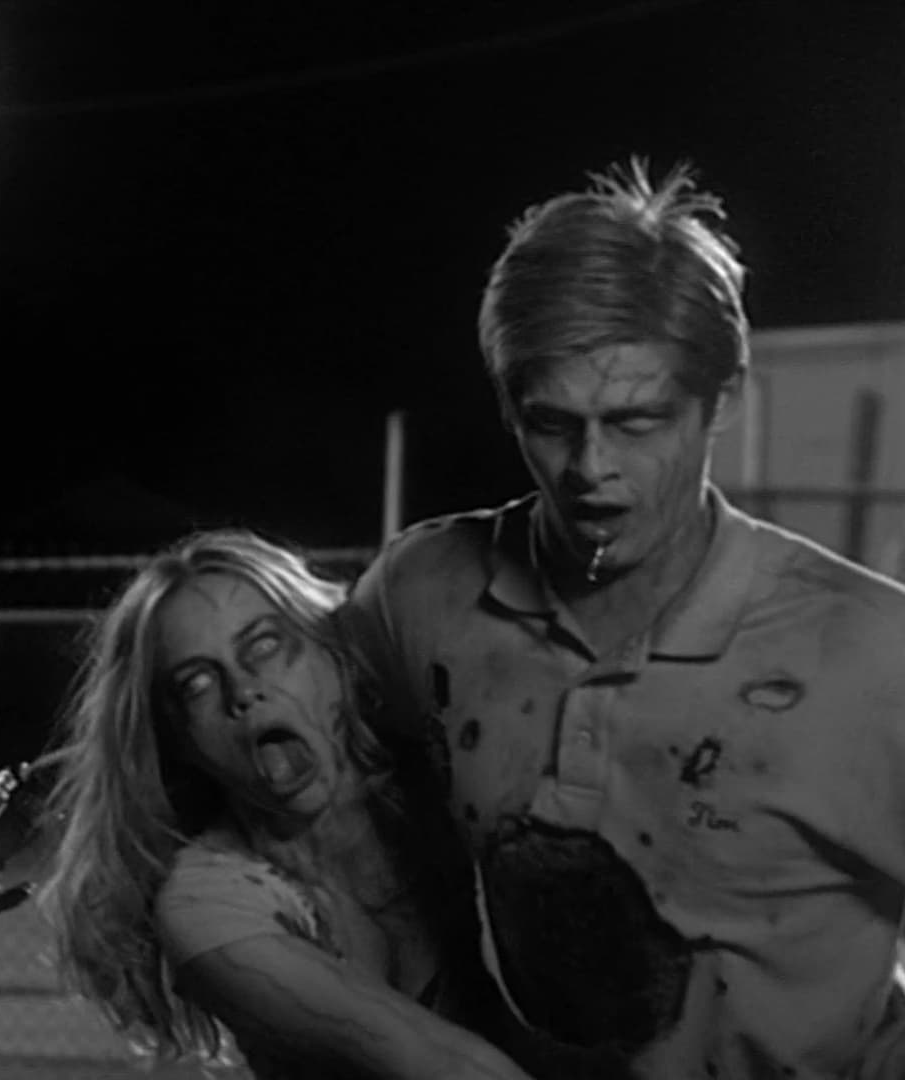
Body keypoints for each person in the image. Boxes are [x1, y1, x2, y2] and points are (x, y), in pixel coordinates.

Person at [342, 160, 905, 1078]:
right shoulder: (422, 592)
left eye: (637, 421)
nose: (590, 469)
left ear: (722, 399)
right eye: (552, 424)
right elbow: (296, 817)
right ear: (509, 407)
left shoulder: (874, 651)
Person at [36, 529, 532, 1078]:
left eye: (265, 646)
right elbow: (440, 1062)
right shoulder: (209, 904)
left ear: (331, 649)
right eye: (196, 684)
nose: (242, 691)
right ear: (179, 741)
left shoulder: (448, 779)